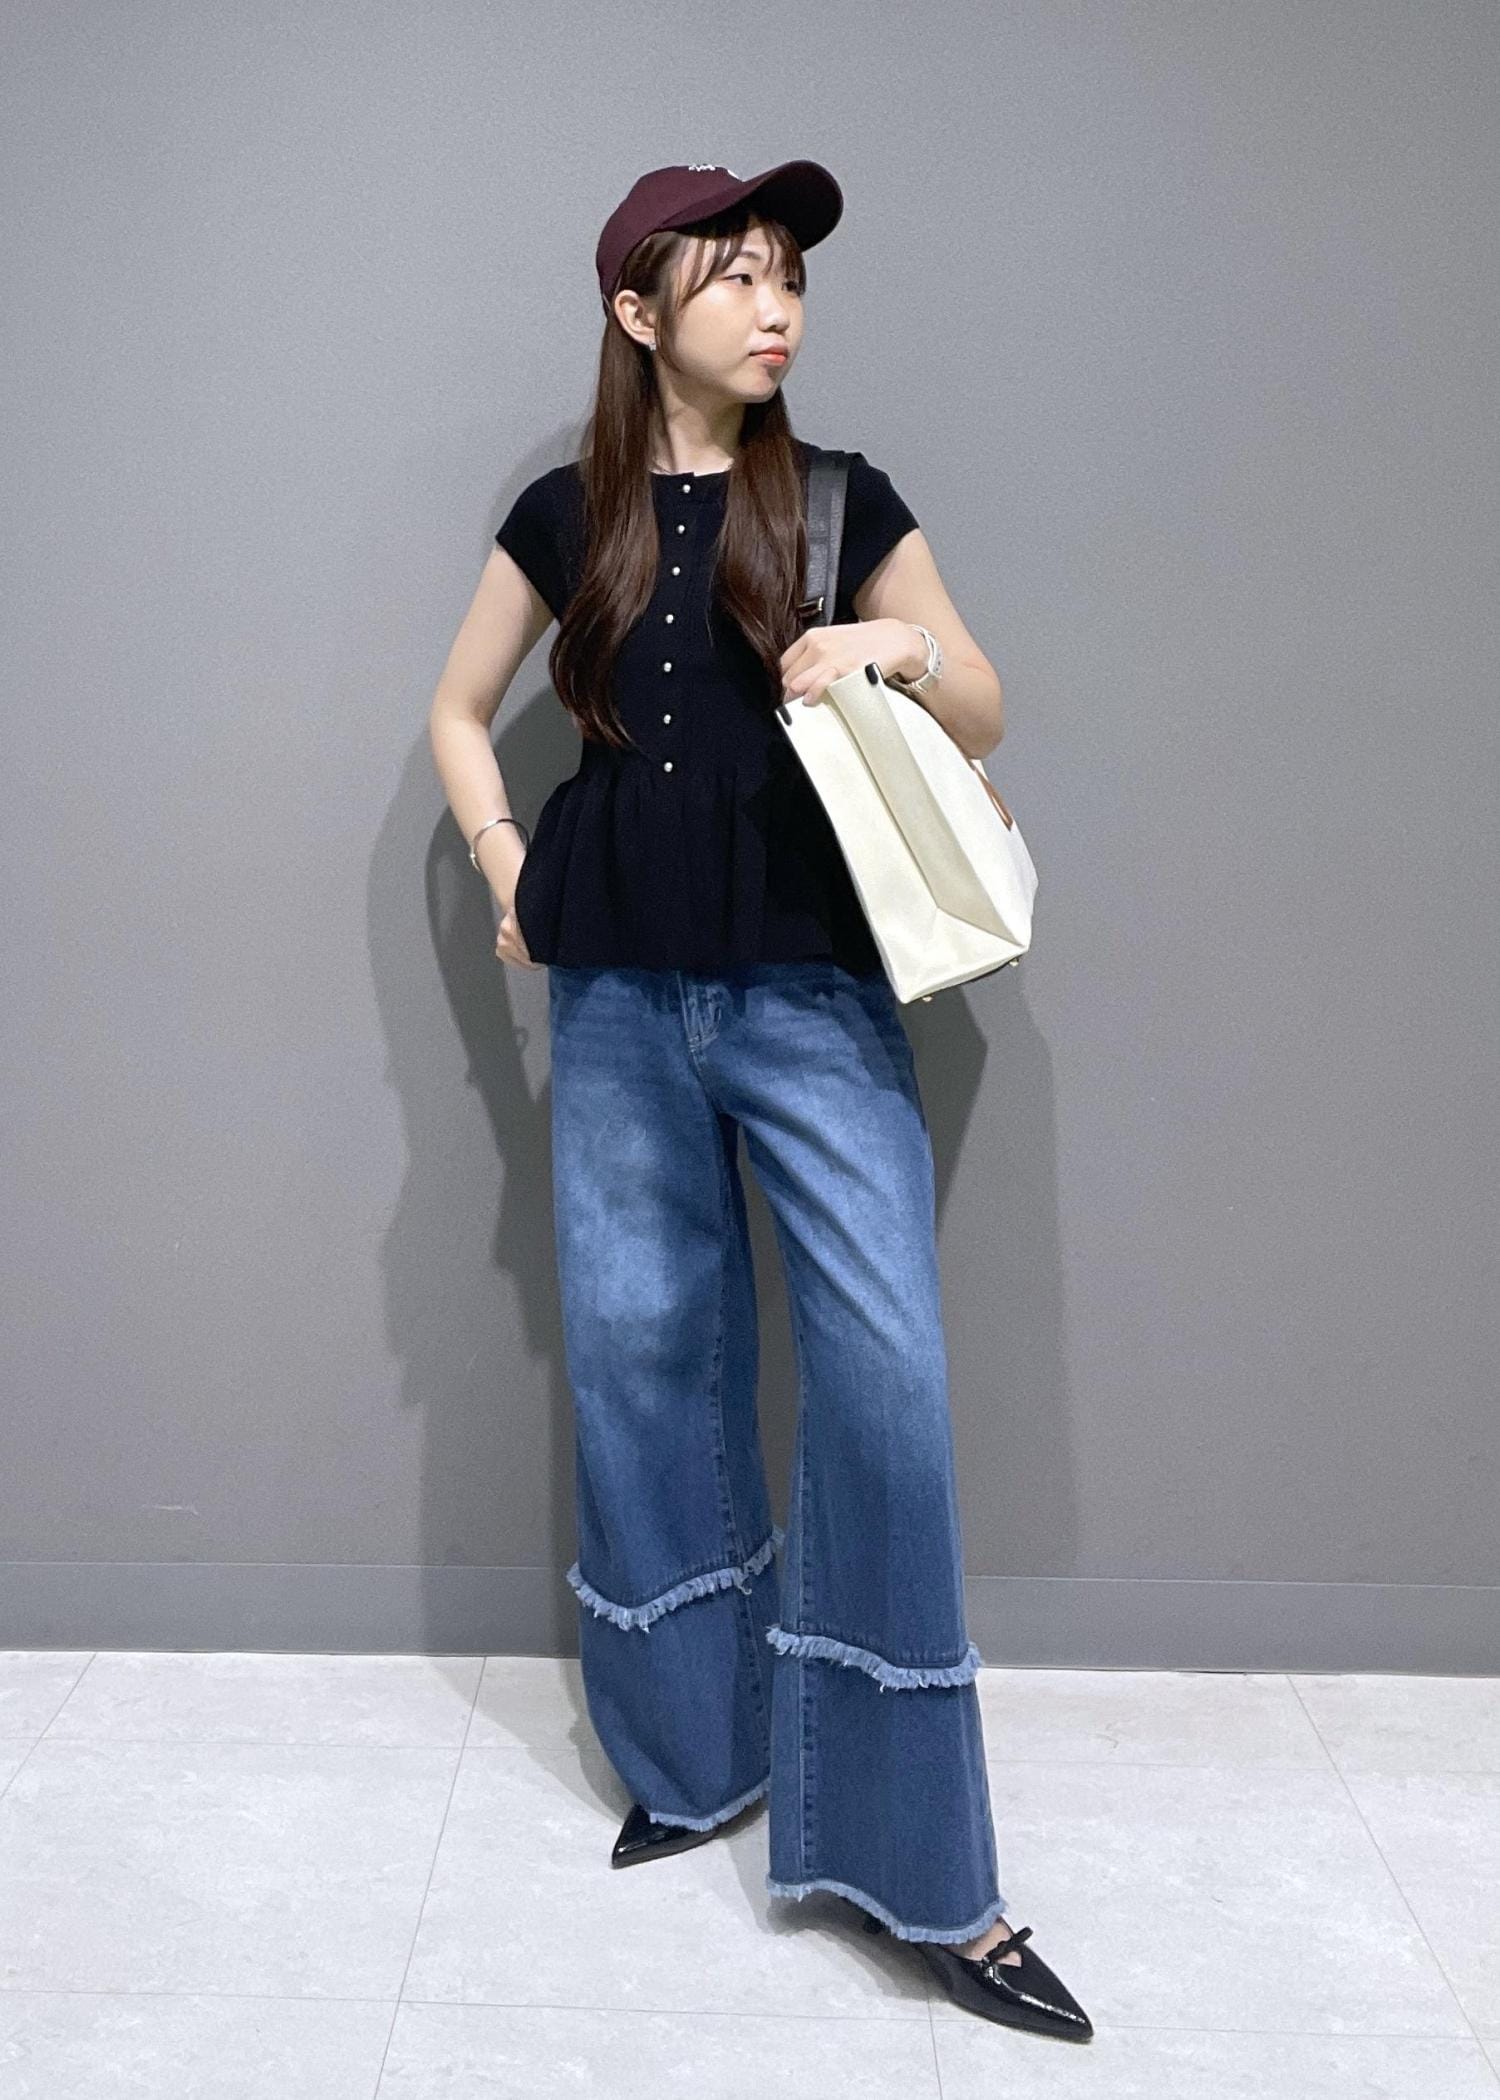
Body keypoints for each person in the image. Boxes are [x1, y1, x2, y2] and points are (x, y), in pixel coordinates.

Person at [428, 159, 1092, 2043]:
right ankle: (692, 1752)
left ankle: (928, 1875)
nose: (776, 303)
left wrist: (891, 644)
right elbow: (458, 710)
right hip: (620, 1001)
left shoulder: (845, 499)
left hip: (812, 999)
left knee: (885, 1378)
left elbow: (983, 699)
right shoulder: (564, 515)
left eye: (788, 274)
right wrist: (508, 869)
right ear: (639, 313)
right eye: (733, 276)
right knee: (644, 1361)